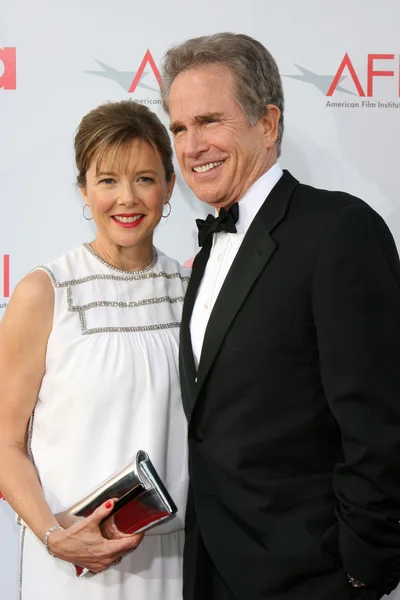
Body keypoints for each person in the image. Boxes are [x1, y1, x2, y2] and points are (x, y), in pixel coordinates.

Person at [160, 32, 400, 600]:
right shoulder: (205, 256)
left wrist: (363, 572)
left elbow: (379, 423)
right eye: (178, 128)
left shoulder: (338, 231)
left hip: (309, 576)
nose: (192, 146)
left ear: (267, 124)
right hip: (210, 568)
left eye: (210, 121)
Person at [0, 100, 189, 600]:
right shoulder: (46, 291)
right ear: (84, 189)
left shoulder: (194, 289)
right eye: (107, 180)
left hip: (176, 560)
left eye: (145, 178)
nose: (126, 198)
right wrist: (54, 537)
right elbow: (4, 440)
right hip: (72, 563)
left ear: (170, 186)